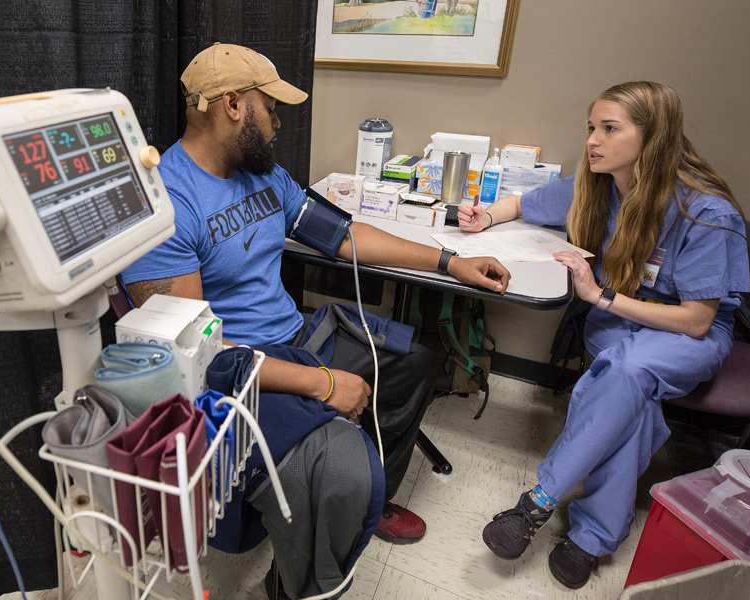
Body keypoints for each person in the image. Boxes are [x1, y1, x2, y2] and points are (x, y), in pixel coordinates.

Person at [121, 42, 511, 599]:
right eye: (270, 107)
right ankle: (302, 584)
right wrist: (322, 382)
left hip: (298, 337)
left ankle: (359, 509)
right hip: (237, 373)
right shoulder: (166, 203)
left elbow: (345, 235)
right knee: (339, 472)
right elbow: (195, 353)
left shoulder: (265, 177)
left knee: (413, 365)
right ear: (232, 104)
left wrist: (451, 262)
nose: (278, 123)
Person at [458, 81, 749, 589]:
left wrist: (600, 297)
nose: (593, 140)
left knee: (630, 369)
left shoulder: (703, 211)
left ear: (653, 137)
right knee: (630, 396)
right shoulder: (596, 184)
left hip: (685, 336)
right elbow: (524, 204)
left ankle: (538, 502)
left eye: (609, 129)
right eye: (592, 127)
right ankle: (591, 539)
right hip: (617, 326)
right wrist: (484, 215)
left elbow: (698, 321)